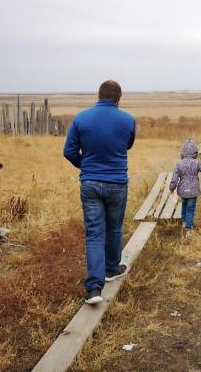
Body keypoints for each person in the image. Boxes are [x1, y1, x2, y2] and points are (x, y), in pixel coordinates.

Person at [63, 80, 136, 305]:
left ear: (99, 96)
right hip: (117, 183)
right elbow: (128, 145)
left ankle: (94, 288)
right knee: (114, 228)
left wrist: (85, 165)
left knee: (94, 233)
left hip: (90, 183)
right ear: (118, 99)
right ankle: (112, 269)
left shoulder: (81, 118)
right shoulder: (128, 120)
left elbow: (69, 151)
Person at [168, 140, 201, 235]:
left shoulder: (179, 164)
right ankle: (188, 229)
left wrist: (171, 188)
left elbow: (174, 178)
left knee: (184, 204)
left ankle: (184, 222)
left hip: (182, 190)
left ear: (183, 152)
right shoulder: (196, 163)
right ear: (195, 152)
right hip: (193, 190)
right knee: (190, 208)